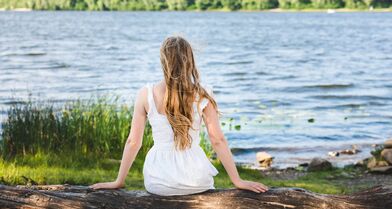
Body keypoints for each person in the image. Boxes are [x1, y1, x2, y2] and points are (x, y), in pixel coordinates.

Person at [90, 36, 269, 195]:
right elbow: (217, 140)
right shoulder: (203, 93)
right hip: (195, 180)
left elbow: (133, 142)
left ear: (163, 61)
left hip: (158, 180)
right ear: (190, 61)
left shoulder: (146, 94)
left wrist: (119, 181)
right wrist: (237, 181)